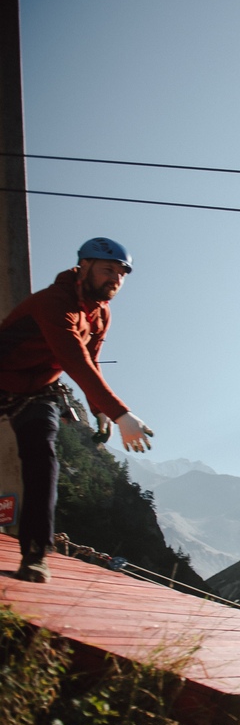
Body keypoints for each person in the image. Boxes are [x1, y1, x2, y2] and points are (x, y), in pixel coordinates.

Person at [0, 237, 154, 582]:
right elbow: (74, 358)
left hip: (38, 389)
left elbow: (93, 360)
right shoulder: (54, 302)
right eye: (107, 270)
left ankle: (36, 556)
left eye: (121, 273)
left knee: (43, 457)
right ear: (83, 267)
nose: (115, 279)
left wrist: (97, 409)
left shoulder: (101, 313)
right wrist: (119, 413)